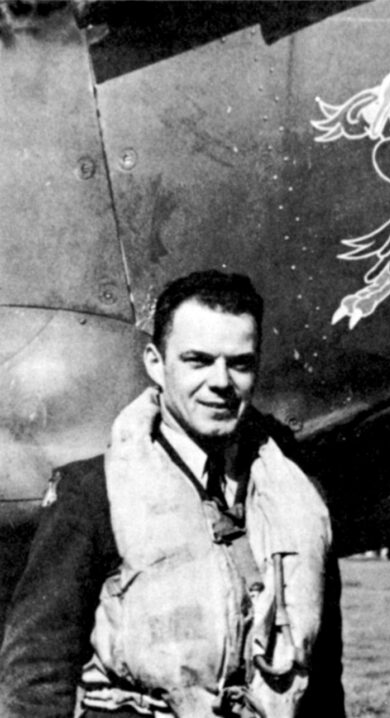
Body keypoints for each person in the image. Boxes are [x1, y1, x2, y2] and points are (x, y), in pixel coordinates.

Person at [0, 270, 345, 718]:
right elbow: (36, 675)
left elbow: (322, 685)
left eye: (239, 363)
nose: (221, 382)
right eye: (198, 360)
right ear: (155, 363)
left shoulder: (298, 501)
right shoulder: (93, 493)